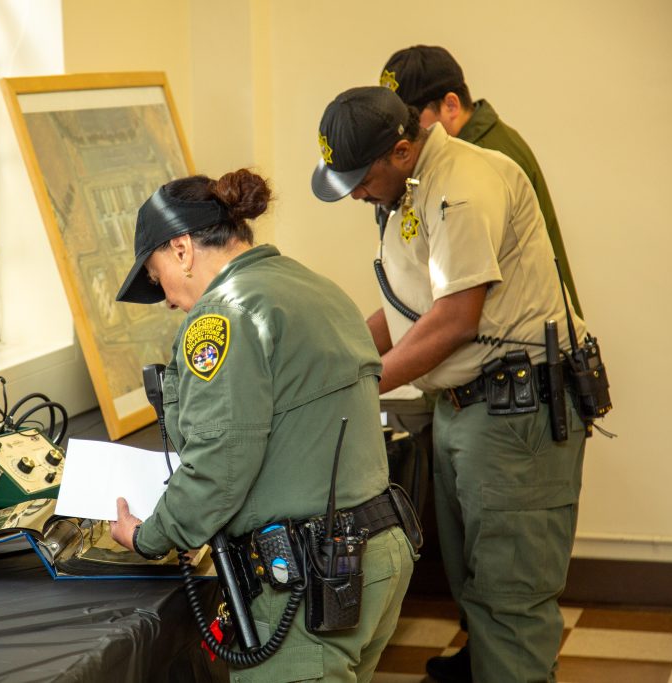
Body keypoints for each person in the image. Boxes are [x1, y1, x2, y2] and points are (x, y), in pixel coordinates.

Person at [311, 87, 589, 683]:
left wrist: (359, 389)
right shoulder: (412, 188)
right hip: (467, 409)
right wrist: (332, 366)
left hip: (515, 415)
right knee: (472, 585)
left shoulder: (462, 186)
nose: (355, 192)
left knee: (509, 598)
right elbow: (406, 309)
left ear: (403, 150)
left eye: (360, 178)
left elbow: (456, 319)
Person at [109, 169, 415, 681]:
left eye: (158, 275)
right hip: (376, 557)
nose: (165, 298)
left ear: (182, 249)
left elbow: (218, 464)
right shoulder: (317, 288)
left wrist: (149, 535)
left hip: (310, 579)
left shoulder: (222, 317)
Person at [379, 44, 583, 318]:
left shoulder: (483, 161)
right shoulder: (454, 159)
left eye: (413, 121)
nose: (405, 137)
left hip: (527, 344)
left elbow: (459, 308)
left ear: (451, 105)